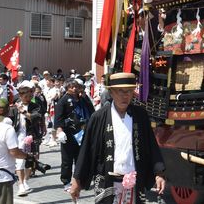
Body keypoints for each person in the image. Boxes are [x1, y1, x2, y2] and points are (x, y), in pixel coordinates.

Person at [70, 72, 166, 203]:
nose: (125, 95)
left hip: (134, 181)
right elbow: (86, 149)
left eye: (129, 91)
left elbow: (151, 145)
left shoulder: (140, 115)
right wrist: (76, 180)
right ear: (111, 92)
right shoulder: (98, 117)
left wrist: (159, 173)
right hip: (106, 181)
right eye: (120, 91)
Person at [55, 78, 91, 190]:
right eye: (72, 87)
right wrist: (59, 130)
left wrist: (85, 97)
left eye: (76, 86)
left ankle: (80, 180)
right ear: (67, 88)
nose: (74, 89)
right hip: (68, 133)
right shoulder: (63, 100)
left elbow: (91, 111)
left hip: (82, 132)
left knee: (81, 158)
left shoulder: (82, 99)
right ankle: (66, 181)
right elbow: (58, 117)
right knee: (67, 159)